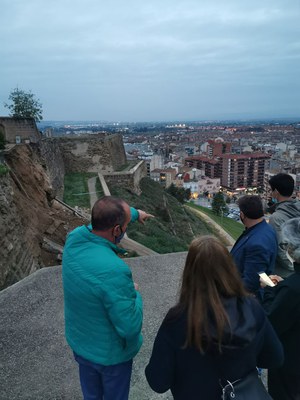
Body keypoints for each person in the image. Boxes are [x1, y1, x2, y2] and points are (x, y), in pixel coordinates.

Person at [145, 236, 283, 400]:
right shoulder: (252, 308)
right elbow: (274, 358)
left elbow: (158, 382)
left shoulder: (178, 319)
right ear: (230, 268)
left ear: (189, 271)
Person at [62, 196, 153, 400]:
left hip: (82, 344)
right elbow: (130, 327)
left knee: (91, 395)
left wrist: (137, 214)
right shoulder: (115, 270)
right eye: (126, 225)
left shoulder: (74, 238)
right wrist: (135, 294)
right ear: (117, 230)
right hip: (110, 356)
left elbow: (106, 214)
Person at [262, 217, 300, 400]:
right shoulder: (291, 286)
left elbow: (270, 320)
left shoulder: (291, 289)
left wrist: (271, 289)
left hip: (289, 364)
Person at [230, 195, 277, 299]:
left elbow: (250, 283)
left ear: (242, 215)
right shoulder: (266, 229)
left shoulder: (257, 244)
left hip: (245, 301)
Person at [269, 173, 300, 272]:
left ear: (276, 192)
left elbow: (280, 250)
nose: (270, 193)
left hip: (286, 273)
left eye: (271, 190)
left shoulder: (276, 218)